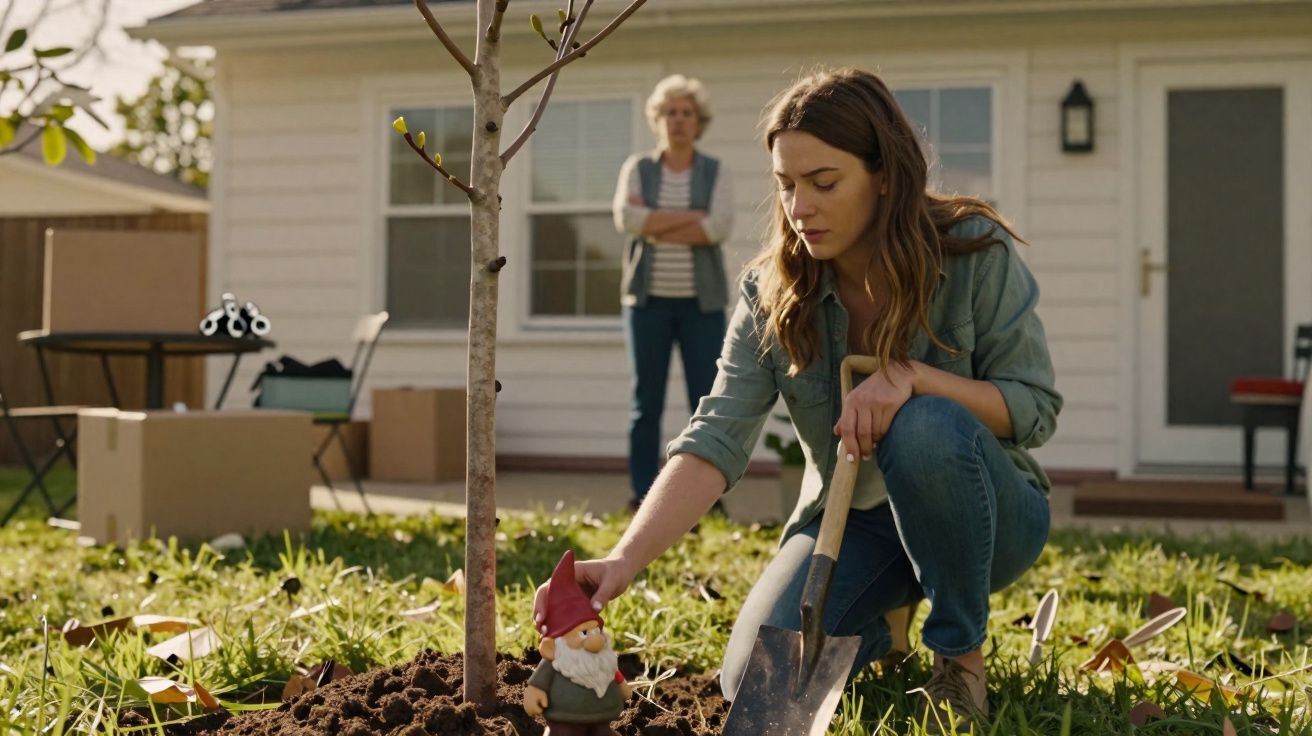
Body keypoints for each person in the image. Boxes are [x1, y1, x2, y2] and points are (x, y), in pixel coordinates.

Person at [550, 68, 1061, 732]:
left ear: (885, 175)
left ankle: (958, 660)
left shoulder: (973, 256)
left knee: (924, 425)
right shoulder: (773, 294)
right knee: (755, 686)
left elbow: (1034, 407)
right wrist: (624, 558)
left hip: (985, 515)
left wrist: (915, 378)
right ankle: (881, 624)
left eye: (824, 183)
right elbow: (717, 436)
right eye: (786, 185)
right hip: (855, 522)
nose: (801, 207)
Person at [613, 74, 734, 511]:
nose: (679, 120)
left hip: (702, 306)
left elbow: (718, 226)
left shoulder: (714, 170)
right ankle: (642, 494)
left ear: (698, 121)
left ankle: (706, 498)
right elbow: (628, 220)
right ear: (658, 119)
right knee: (647, 402)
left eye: (687, 113)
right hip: (646, 305)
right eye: (671, 112)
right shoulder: (638, 168)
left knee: (707, 399)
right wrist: (691, 218)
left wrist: (656, 221)